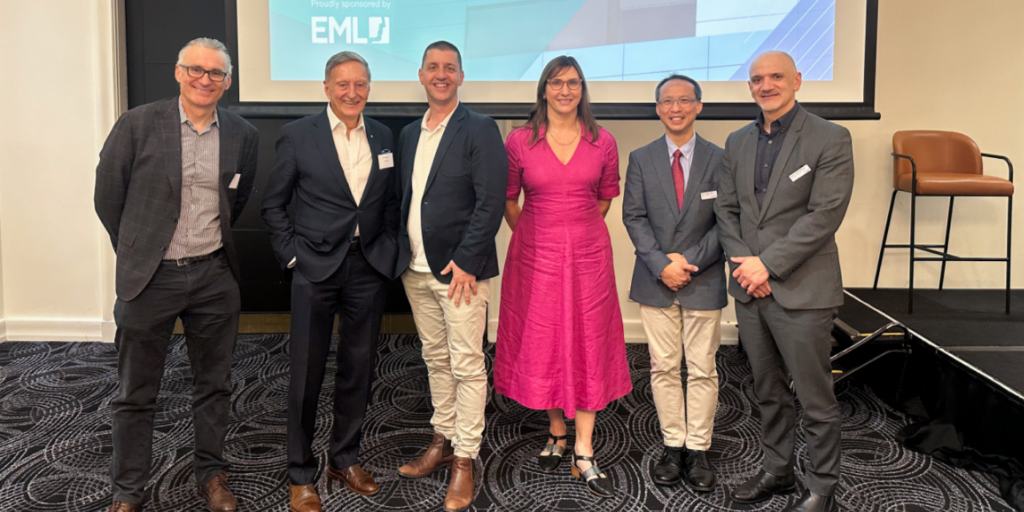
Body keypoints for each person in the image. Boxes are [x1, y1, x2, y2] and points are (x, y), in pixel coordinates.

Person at [94, 37, 259, 512]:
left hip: (214, 276)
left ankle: (212, 475)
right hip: (150, 279)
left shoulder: (243, 134)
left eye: (216, 73)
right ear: (178, 72)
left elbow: (236, 199)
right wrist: (138, 251)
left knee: (215, 386)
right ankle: (128, 491)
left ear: (227, 82)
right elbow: (108, 197)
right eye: (196, 70)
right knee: (135, 392)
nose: (205, 79)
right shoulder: (137, 124)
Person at [714, 51, 854, 512]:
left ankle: (822, 488)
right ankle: (778, 470)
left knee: (815, 398)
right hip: (750, 289)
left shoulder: (830, 137)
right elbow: (727, 211)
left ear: (797, 80)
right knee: (768, 391)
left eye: (776, 76)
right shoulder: (737, 141)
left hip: (803, 289)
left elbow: (824, 215)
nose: (766, 85)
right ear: (750, 87)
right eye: (757, 79)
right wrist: (747, 267)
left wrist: (767, 266)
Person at [262, 51, 399, 512]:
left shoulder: (383, 136)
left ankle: (344, 459)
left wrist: (387, 247)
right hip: (315, 268)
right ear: (326, 88)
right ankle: (300, 474)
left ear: (369, 88)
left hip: (367, 268)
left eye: (360, 84)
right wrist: (292, 256)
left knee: (359, 369)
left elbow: (390, 201)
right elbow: (273, 204)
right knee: (306, 373)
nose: (352, 92)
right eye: (343, 84)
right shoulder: (298, 135)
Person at [495, 55, 631, 499]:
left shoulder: (603, 141)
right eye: (556, 82)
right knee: (545, 339)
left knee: (589, 339)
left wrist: (574, 232)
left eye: (573, 83)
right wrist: (537, 235)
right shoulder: (520, 140)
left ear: (582, 89)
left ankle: (584, 448)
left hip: (589, 257)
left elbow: (605, 199)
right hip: (534, 258)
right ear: (544, 89)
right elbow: (508, 199)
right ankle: (556, 429)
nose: (565, 90)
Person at [394, 41, 508, 512]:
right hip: (416, 270)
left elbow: (491, 200)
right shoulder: (408, 134)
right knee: (435, 359)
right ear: (421, 75)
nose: (441, 74)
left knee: (466, 364)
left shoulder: (480, 128)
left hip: (461, 273)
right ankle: (441, 439)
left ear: (461, 76)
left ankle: (465, 457)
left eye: (450, 68)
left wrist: (467, 259)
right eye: (433, 67)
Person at [622, 75, 726, 491]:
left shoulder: (721, 158)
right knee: (663, 366)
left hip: (705, 277)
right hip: (655, 279)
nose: (676, 108)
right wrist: (662, 264)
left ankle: (698, 448)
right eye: (668, 101)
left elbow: (727, 220)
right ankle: (673, 445)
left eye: (685, 100)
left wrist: (690, 261)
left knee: (702, 367)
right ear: (658, 108)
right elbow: (634, 217)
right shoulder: (641, 158)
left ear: (698, 106)